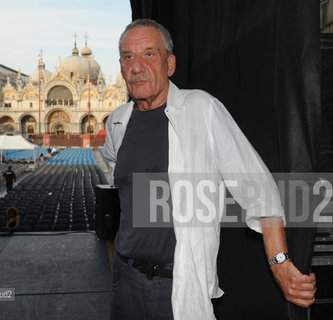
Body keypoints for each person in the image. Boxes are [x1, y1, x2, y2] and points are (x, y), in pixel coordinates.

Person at [103, 19, 316, 320]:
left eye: (149, 54)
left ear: (170, 63)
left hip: (177, 284)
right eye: (128, 56)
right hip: (124, 279)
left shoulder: (201, 109)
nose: (136, 66)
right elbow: (115, 168)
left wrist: (279, 263)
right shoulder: (116, 122)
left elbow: (259, 188)